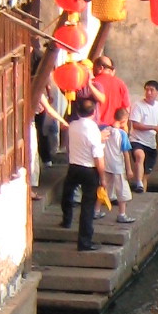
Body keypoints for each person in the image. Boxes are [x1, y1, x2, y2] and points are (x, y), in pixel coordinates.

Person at [59, 93, 104, 251]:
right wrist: (103, 177)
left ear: (78, 112)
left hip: (74, 166)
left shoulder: (73, 126)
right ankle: (84, 241)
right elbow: (98, 157)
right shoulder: (94, 130)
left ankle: (67, 219)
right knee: (87, 206)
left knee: (67, 194)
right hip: (90, 169)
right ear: (93, 112)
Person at [130, 80, 158, 191]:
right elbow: (135, 125)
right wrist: (153, 127)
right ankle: (138, 183)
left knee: (146, 174)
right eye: (147, 90)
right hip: (137, 140)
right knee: (140, 156)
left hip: (151, 143)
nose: (149, 93)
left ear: (157, 92)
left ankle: (142, 191)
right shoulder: (138, 105)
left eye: (151, 90)